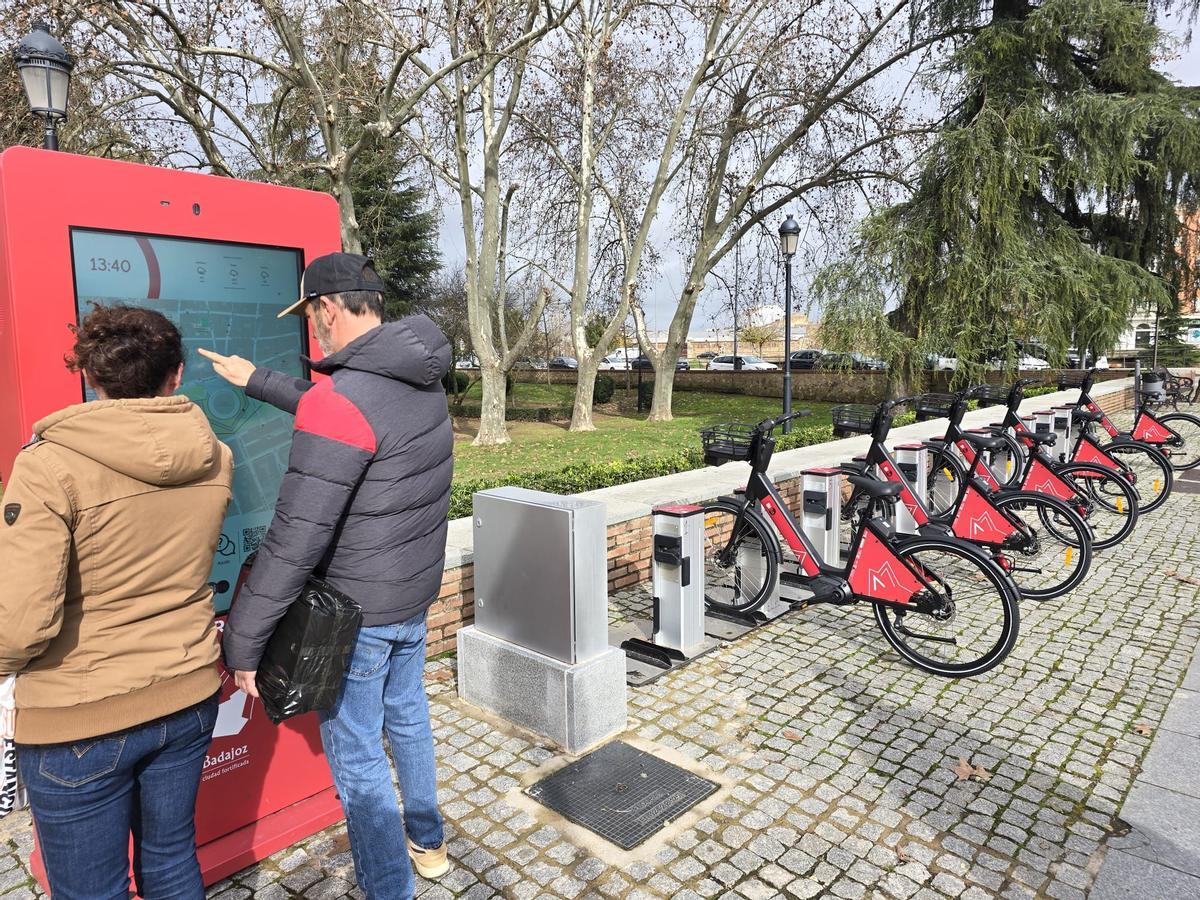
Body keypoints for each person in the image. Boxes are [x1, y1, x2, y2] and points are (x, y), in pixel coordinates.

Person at [200, 252, 454, 899]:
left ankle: (388, 888)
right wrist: (256, 378)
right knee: (409, 716)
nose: (313, 327)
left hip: (356, 620)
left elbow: (291, 542)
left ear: (330, 309)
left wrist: (244, 642)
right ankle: (428, 842)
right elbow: (336, 406)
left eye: (312, 313)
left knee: (361, 758)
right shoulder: (417, 376)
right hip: (411, 596)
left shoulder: (344, 402)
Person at [0, 305, 233, 899]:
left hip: (79, 716)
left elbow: (20, 625)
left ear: (92, 378)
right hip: (188, 692)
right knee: (172, 858)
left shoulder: (48, 465)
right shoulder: (218, 455)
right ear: (176, 375)